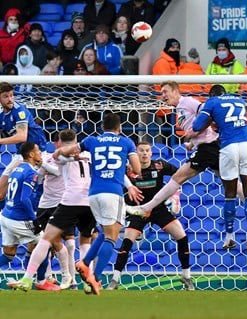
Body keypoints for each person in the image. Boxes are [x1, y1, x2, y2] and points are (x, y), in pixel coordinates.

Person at [126, 82, 247, 248]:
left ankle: (147, 208)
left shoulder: (187, 102)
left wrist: (197, 134)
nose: (163, 95)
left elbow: (208, 116)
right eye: (161, 92)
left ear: (175, 91)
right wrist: (192, 142)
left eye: (165, 91)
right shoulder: (180, 108)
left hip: (209, 148)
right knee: (230, 185)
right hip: (208, 147)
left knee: (178, 177)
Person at [51, 113, 141, 295]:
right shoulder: (126, 142)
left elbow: (72, 150)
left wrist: (59, 151)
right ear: (119, 128)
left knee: (104, 231)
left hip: (93, 194)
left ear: (102, 127)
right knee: (112, 237)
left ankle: (84, 263)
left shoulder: (92, 141)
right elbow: (137, 169)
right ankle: (96, 278)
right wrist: (129, 168)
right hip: (112, 193)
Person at [9, 130, 97, 292]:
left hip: (68, 201)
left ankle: (30, 279)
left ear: (60, 143)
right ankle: (87, 282)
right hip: (88, 201)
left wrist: (60, 155)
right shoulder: (90, 156)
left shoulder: (57, 156)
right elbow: (43, 175)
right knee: (85, 242)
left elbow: (57, 163)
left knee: (48, 240)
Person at [107, 141, 194, 291]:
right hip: (138, 210)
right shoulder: (127, 170)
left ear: (151, 153)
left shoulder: (160, 165)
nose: (144, 153)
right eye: (141, 151)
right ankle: (114, 280)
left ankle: (186, 277)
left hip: (158, 209)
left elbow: (180, 176)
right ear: (136, 154)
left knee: (182, 236)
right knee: (126, 242)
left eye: (147, 150)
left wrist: (176, 196)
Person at [189, 85, 247, 252]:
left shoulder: (212, 102)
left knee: (230, 194)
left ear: (212, 95)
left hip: (229, 147)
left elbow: (197, 126)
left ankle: (229, 237)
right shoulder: (240, 100)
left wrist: (210, 118)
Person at [0, 142, 60, 291]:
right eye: (38, 151)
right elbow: (24, 199)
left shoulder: (17, 168)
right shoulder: (30, 172)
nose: (40, 153)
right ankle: (41, 281)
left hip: (6, 216)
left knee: (9, 254)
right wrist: (34, 220)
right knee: (45, 244)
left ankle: (33, 278)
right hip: (18, 219)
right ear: (31, 155)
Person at [0, 82, 47, 201]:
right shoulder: (2, 116)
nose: (10, 99)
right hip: (21, 154)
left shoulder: (20, 111)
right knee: (1, 188)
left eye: (11, 95)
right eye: (6, 96)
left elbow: (22, 137)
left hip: (36, 153)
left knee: (25, 189)